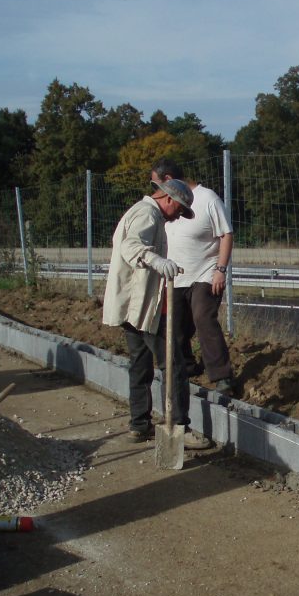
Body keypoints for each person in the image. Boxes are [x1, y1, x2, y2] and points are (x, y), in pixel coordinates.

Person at [101, 164, 210, 450]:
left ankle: (139, 425)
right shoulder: (147, 213)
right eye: (179, 210)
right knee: (172, 364)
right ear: (169, 199)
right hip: (142, 307)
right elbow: (131, 246)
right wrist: (157, 261)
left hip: (133, 306)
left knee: (139, 364)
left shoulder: (147, 213)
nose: (177, 217)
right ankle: (180, 426)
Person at [165, 178, 235, 395]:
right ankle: (185, 365)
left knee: (203, 319)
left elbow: (226, 234)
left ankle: (222, 376)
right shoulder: (165, 205)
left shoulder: (208, 198)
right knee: (176, 324)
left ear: (169, 179)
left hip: (205, 272)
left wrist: (220, 270)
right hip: (175, 276)